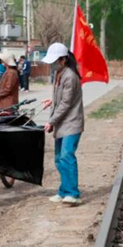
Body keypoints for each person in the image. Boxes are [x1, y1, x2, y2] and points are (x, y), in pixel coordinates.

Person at [41, 43, 84, 205]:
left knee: (67, 156)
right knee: (59, 158)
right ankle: (64, 190)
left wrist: (51, 121)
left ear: (64, 60)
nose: (52, 64)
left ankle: (73, 193)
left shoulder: (70, 76)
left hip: (71, 123)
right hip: (62, 123)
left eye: (55, 61)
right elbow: (63, 98)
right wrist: (52, 101)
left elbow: (66, 104)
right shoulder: (60, 73)